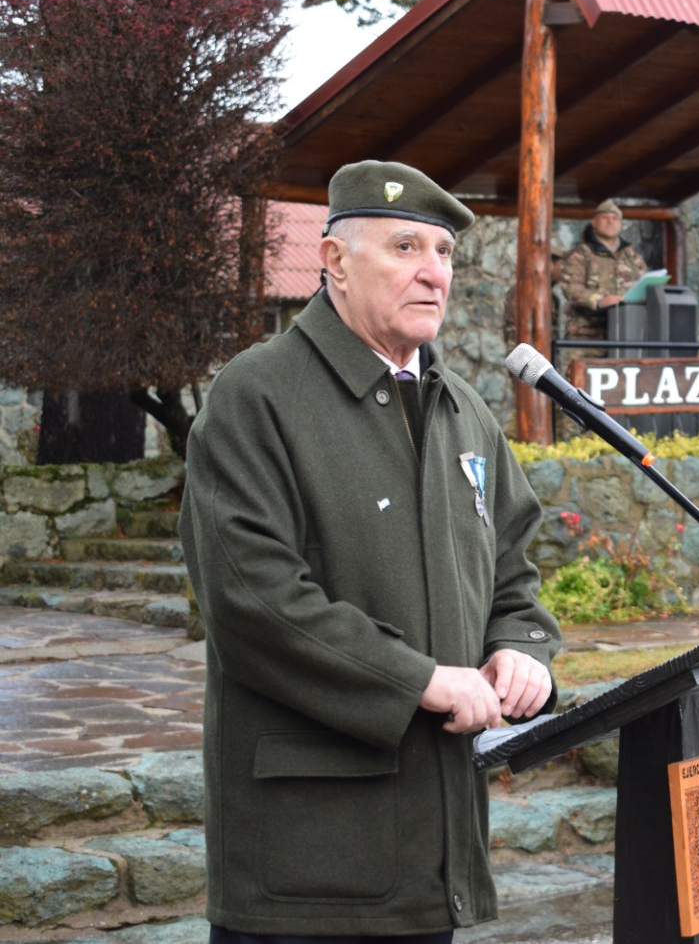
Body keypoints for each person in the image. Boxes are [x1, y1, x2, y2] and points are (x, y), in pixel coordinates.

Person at [180, 161, 562, 939]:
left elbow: (512, 564)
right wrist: (420, 679)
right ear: (333, 262)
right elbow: (253, 599)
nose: (433, 273)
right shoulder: (257, 396)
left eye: (445, 253)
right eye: (405, 248)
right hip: (308, 872)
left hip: (430, 864)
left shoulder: (464, 413)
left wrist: (521, 646)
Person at [555, 199, 650, 345]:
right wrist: (599, 300)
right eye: (605, 218)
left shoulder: (633, 257)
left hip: (627, 335)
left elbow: (644, 285)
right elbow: (571, 288)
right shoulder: (580, 255)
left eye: (615, 218)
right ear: (594, 222)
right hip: (588, 338)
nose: (610, 222)